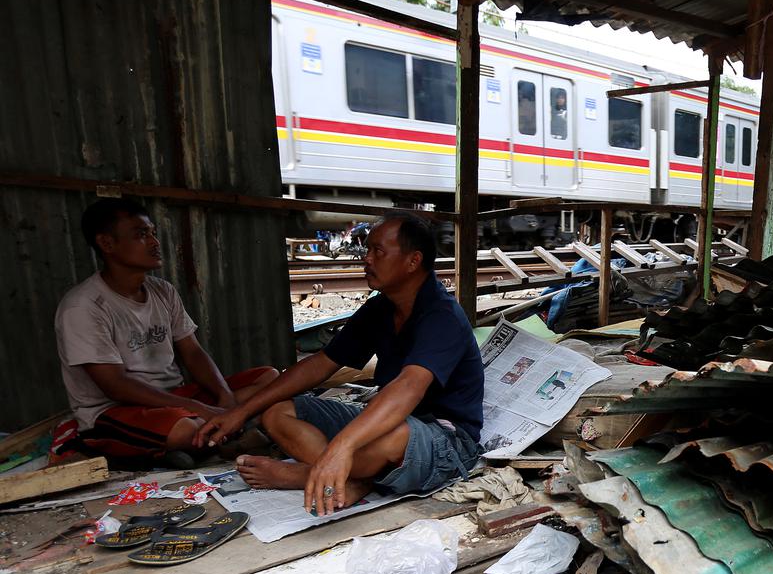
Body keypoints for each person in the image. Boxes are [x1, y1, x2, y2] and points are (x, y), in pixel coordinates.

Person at [198, 212, 484, 516]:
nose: (367, 259)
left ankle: (311, 474)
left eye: (378, 251)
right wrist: (241, 412)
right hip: (385, 422)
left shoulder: (443, 316)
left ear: (413, 261)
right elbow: (321, 364)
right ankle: (350, 479)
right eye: (367, 250)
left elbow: (406, 388)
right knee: (278, 411)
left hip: (444, 440)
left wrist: (342, 446)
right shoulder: (379, 309)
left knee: (394, 434)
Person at [54, 198, 278, 463]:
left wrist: (224, 396)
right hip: (116, 411)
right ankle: (218, 437)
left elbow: (193, 352)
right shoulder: (83, 306)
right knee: (185, 428)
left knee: (270, 379)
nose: (154, 242)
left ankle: (206, 441)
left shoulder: (163, 291)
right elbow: (115, 386)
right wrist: (199, 408)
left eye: (152, 233)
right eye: (141, 235)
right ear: (107, 244)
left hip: (174, 398)